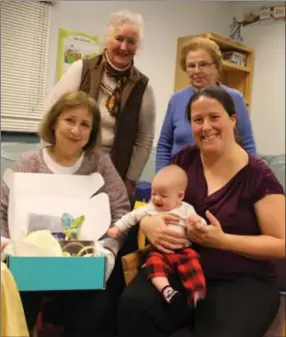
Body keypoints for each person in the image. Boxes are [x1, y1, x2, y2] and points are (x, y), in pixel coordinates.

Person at [118, 86, 285, 337]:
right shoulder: (183, 161)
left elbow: (281, 244)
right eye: (198, 120)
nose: (206, 127)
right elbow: (157, 204)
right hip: (180, 268)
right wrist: (147, 225)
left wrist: (223, 241)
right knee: (135, 305)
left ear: (232, 119)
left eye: (214, 117)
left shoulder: (259, 176)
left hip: (242, 281)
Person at [0, 91, 130, 337]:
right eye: (69, 120)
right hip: (29, 262)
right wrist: (6, 244)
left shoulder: (100, 164)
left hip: (83, 264)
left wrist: (109, 250)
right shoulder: (28, 162)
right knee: (12, 302)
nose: (76, 130)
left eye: (85, 125)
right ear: (54, 122)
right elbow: (1, 210)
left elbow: (121, 210)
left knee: (94, 312)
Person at [43, 10, 156, 197]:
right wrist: (50, 160)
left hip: (115, 172)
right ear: (107, 39)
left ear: (138, 47)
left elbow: (145, 138)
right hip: (72, 165)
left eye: (131, 42)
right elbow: (51, 112)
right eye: (119, 39)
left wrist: (130, 180)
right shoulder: (81, 69)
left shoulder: (143, 87)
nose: (124, 47)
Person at [108, 164, 206, 308]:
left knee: (192, 262)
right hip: (158, 250)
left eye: (163, 195)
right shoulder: (151, 208)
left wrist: (198, 223)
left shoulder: (186, 209)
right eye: (153, 194)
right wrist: (117, 228)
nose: (157, 199)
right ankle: (166, 290)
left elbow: (198, 220)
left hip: (182, 250)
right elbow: (132, 216)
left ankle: (197, 292)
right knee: (152, 265)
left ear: (180, 196)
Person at [156, 36, 256, 172]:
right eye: (191, 66)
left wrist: (247, 180)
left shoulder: (234, 98)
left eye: (203, 64)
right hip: (179, 180)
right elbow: (164, 145)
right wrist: (162, 179)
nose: (197, 71)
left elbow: (248, 144)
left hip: (223, 177)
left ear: (217, 67)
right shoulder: (176, 100)